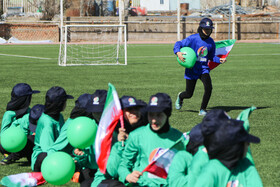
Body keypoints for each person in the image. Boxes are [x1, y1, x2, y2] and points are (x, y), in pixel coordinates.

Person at [118, 93, 182, 186]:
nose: (154, 120)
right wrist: (128, 175)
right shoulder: (137, 135)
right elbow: (123, 165)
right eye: (151, 115)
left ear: (168, 114)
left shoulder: (179, 138)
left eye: (159, 115)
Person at [87, 95, 147, 187]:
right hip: (104, 181)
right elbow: (111, 170)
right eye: (129, 109)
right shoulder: (112, 135)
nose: (134, 112)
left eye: (136, 108)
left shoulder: (144, 131)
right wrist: (121, 145)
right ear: (120, 113)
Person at [173, 17, 226, 116]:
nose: (207, 31)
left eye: (209, 29)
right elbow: (178, 43)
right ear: (201, 28)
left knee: (209, 88)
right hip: (191, 69)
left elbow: (211, 57)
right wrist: (178, 52)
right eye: (205, 29)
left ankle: (203, 109)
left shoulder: (211, 42)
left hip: (203, 69)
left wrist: (219, 60)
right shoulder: (193, 38)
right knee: (189, 94)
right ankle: (180, 96)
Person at [193, 112, 263, 186]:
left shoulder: (246, 165)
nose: (248, 144)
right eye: (245, 143)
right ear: (235, 148)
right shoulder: (211, 170)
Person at [31, 86, 74, 172]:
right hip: (44, 156)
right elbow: (47, 149)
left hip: (56, 151)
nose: (66, 104)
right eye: (64, 101)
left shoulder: (59, 116)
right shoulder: (47, 122)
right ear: (59, 104)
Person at [0, 83, 40, 165]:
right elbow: (3, 134)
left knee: (33, 138)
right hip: (10, 143)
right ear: (25, 99)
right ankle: (13, 156)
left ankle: (27, 155)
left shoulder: (29, 111)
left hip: (25, 141)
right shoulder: (9, 114)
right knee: (31, 139)